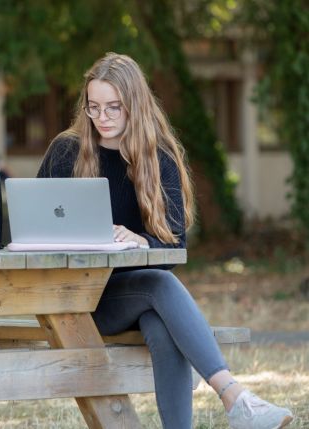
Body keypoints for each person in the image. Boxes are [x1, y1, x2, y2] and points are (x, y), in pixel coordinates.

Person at [37, 52, 293, 429]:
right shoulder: (66, 151)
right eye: (94, 108)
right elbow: (33, 227)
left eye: (113, 108)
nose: (102, 118)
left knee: (159, 321)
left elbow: (173, 248)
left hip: (130, 295)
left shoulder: (158, 157)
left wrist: (139, 241)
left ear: (134, 105)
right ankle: (234, 397)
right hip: (76, 299)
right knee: (159, 288)